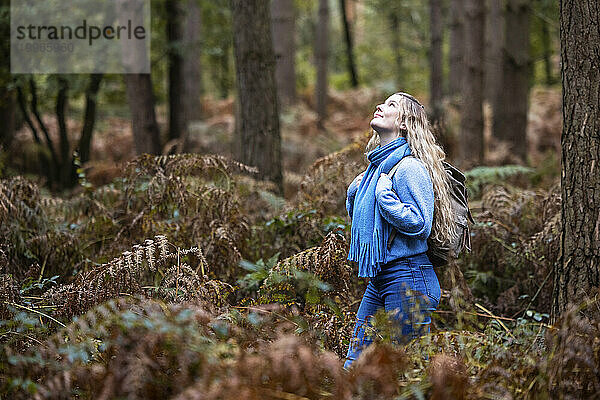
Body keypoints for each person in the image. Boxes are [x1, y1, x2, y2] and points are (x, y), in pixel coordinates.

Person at [343, 92, 458, 370]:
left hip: (409, 278)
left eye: (391, 105)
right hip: (381, 277)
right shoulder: (376, 169)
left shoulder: (409, 168)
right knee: (355, 364)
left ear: (405, 123)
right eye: (384, 102)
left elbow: (420, 223)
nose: (380, 106)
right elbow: (369, 227)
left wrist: (384, 198)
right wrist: (355, 194)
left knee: (406, 371)